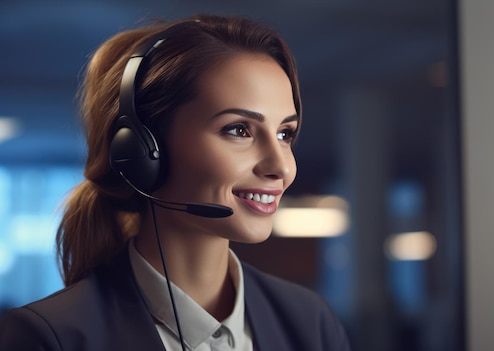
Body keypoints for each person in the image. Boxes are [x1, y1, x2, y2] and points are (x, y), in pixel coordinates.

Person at [0, 13, 351, 351]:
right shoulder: (49, 337)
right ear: (143, 149)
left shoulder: (311, 323)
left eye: (284, 133)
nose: (282, 167)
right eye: (239, 130)